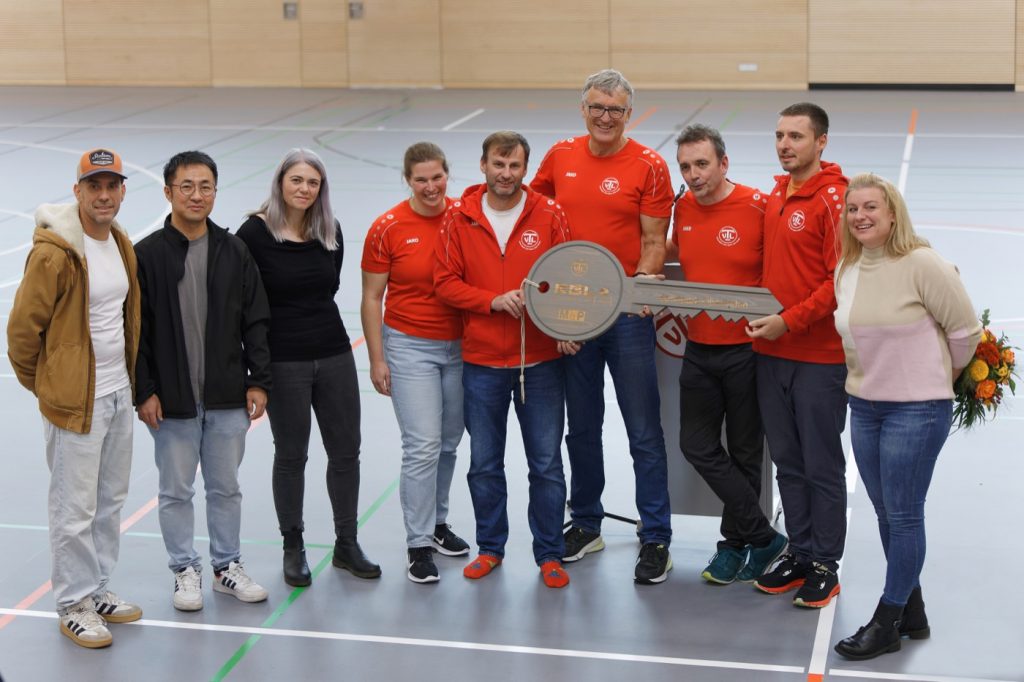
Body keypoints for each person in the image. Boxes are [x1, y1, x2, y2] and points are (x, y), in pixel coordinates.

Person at [530, 68, 675, 584]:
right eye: (597, 106)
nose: (605, 117)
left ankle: (656, 535)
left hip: (627, 318)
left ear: (629, 114)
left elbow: (654, 240)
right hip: (572, 316)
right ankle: (586, 522)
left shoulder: (650, 165)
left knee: (643, 430)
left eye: (615, 109)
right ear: (583, 109)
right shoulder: (560, 157)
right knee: (582, 427)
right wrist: (551, 307)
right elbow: (533, 220)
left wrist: (639, 295)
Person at [831, 173, 980, 659]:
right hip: (864, 406)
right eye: (853, 209)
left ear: (893, 213)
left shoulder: (922, 263)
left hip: (916, 409)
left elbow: (965, 332)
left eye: (871, 207)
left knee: (903, 514)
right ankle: (912, 610)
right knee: (885, 514)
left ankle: (887, 620)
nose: (861, 217)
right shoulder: (847, 268)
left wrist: (937, 379)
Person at [7, 149, 141, 648]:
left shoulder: (120, 242)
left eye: (112, 186)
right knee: (73, 509)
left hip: (116, 395)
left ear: (123, 191)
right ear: (78, 191)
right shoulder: (55, 253)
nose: (103, 196)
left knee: (109, 502)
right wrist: (49, 387)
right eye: (94, 186)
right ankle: (73, 602)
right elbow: (22, 333)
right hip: (74, 403)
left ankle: (98, 587)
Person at [434, 130, 572, 589]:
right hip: (482, 364)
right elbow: (445, 282)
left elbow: (570, 278)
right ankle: (490, 547)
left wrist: (568, 329)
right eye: (499, 164)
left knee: (547, 464)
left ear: (525, 169)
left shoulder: (550, 214)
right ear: (483, 165)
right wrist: (492, 301)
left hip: (543, 363)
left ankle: (549, 554)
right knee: (485, 463)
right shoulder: (458, 218)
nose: (506, 174)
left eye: (515, 166)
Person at [135, 150, 271, 611]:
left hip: (227, 397)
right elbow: (138, 332)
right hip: (170, 401)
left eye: (205, 186)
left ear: (215, 190)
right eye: (187, 186)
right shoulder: (147, 255)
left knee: (225, 487)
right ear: (169, 191)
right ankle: (183, 569)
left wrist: (258, 381)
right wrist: (144, 390)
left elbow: (255, 320)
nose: (197, 195)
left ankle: (225, 567)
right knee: (175, 490)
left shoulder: (234, 251)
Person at [238, 148, 380, 587]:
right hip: (284, 361)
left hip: (334, 353)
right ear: (281, 183)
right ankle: (293, 546)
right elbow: (244, 306)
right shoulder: (254, 234)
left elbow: (330, 286)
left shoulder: (329, 229)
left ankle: (346, 543)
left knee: (345, 452)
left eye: (312, 182)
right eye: (296, 180)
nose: (304, 189)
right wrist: (254, 373)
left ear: (322, 189)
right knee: (292, 455)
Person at [664, 125, 787, 585]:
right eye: (686, 167)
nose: (693, 175)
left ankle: (734, 547)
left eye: (702, 164)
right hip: (698, 349)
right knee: (695, 444)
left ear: (723, 163)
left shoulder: (757, 206)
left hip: (748, 351)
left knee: (746, 455)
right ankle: (764, 536)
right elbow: (677, 253)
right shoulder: (683, 208)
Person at [745, 103, 849, 608]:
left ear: (821, 142)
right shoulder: (775, 194)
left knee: (821, 463)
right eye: (780, 135)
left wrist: (790, 319)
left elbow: (838, 282)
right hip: (771, 352)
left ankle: (826, 562)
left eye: (797, 137)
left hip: (819, 356)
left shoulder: (835, 199)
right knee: (787, 460)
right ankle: (801, 550)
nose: (785, 145)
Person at [360, 142, 469, 584]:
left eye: (437, 177)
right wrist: (377, 358)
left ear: (448, 175)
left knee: (447, 443)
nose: (430, 187)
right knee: (422, 446)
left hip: (462, 347)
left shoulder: (464, 216)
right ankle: (418, 543)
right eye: (420, 179)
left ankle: (439, 523)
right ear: (407, 179)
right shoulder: (387, 227)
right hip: (409, 347)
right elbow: (371, 297)